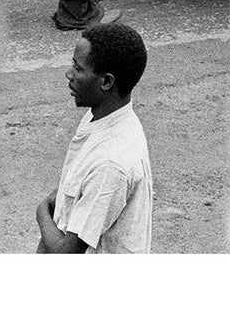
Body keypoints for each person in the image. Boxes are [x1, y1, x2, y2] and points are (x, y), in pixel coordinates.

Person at [36, 22, 153, 253]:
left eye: (78, 68)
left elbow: (66, 254)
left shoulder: (111, 164)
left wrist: (41, 212)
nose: (69, 74)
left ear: (106, 82)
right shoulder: (100, 115)